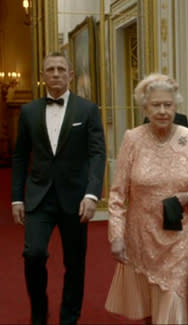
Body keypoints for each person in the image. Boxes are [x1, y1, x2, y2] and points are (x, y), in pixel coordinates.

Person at [105, 73, 188, 324]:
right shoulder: (132, 139)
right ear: (145, 107)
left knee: (172, 298)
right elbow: (118, 193)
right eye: (156, 105)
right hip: (140, 235)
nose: (163, 111)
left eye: (168, 105)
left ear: (176, 106)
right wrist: (116, 235)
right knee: (149, 302)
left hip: (178, 235)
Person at [11, 52, 106, 325]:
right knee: (33, 254)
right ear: (42, 76)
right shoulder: (28, 112)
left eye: (61, 69)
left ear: (70, 75)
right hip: (38, 197)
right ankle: (39, 315)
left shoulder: (87, 110)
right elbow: (19, 157)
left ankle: (69, 318)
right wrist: (17, 198)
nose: (55, 73)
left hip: (75, 198)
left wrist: (92, 194)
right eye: (50, 69)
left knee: (75, 264)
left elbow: (97, 154)